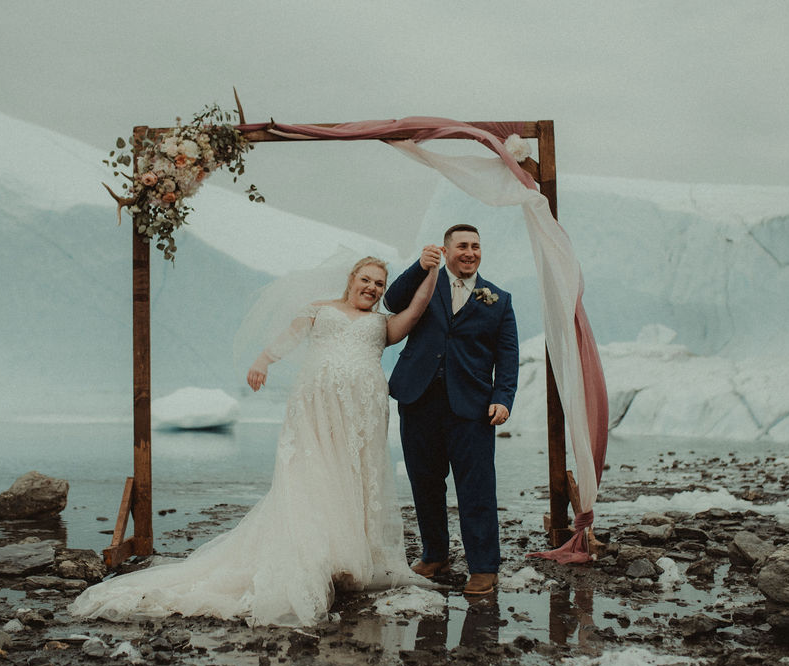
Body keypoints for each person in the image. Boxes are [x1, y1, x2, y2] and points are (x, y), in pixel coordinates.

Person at [70, 256, 439, 627]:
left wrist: (432, 270)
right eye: (366, 279)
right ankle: (318, 555)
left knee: (354, 474)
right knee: (314, 472)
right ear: (352, 279)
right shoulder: (319, 310)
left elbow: (419, 305)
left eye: (379, 283)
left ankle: (349, 558)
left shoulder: (383, 324)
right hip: (316, 405)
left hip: (362, 411)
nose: (371, 288)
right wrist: (263, 361)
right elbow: (288, 339)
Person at [384, 224, 519, 596]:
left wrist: (502, 399)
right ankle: (435, 555)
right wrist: (418, 267)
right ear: (446, 251)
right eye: (462, 246)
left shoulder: (499, 299)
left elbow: (508, 357)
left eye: (476, 246)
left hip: (472, 407)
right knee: (425, 482)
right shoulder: (427, 281)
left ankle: (483, 567)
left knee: (476, 487)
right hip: (418, 398)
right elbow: (392, 303)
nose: (470, 252)